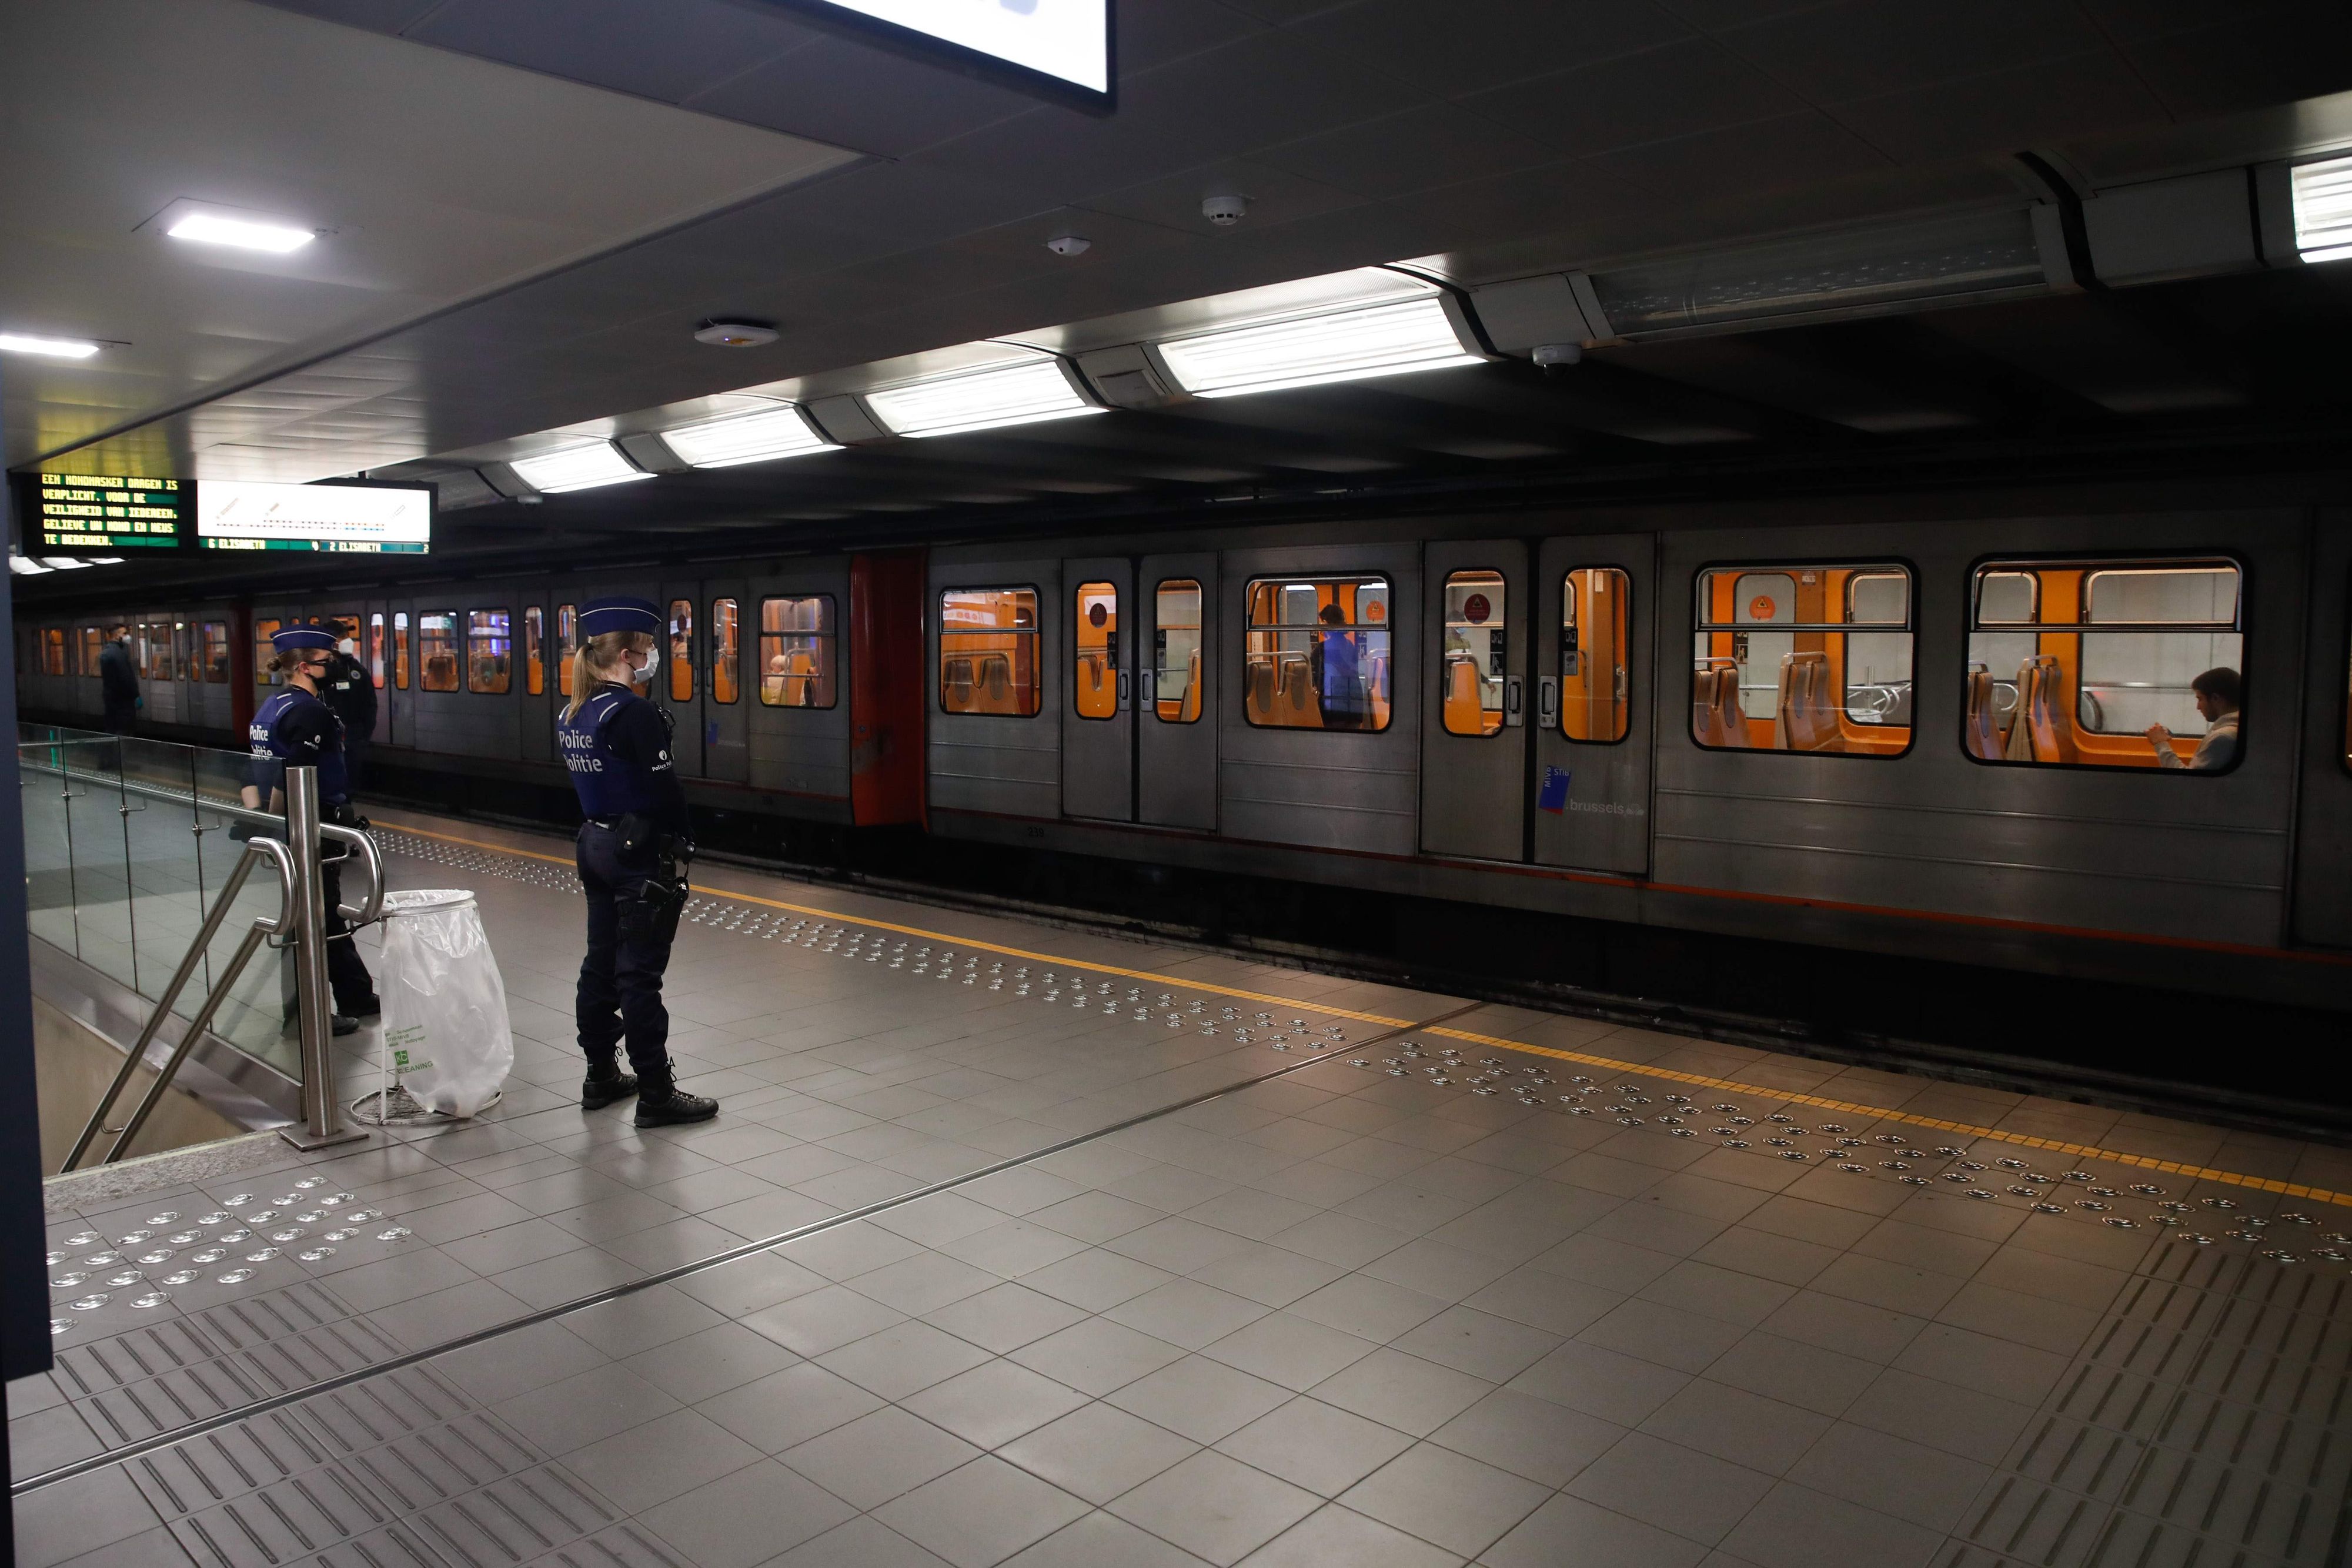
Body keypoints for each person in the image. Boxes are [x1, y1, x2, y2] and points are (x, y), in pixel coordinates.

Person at [558, 597, 717, 1126]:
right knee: (640, 974)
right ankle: (655, 1090)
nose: (654, 657)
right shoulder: (633, 712)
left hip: (594, 844)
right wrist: (686, 838)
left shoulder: (574, 711)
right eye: (649, 648)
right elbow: (663, 789)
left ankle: (601, 1072)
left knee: (599, 963)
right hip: (635, 853)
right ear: (628, 654)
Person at [249, 626, 378, 1036]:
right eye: (326, 660)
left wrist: (262, 821)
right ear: (304, 666)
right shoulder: (311, 712)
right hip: (310, 822)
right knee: (313, 917)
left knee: (325, 910)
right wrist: (279, 829)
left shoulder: (271, 706)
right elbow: (292, 776)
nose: (333, 667)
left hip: (293, 822)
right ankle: (307, 1011)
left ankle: (355, 992)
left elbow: (250, 770)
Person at [2146, 667, 2241, 770]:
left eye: (2200, 699)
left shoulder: (2222, 738)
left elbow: (2189, 780)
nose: (2198, 707)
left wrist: (2161, 744)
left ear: (2215, 698)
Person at [321, 622, 377, 790]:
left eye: (347, 636)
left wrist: (363, 735)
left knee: (349, 781)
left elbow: (370, 705)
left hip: (352, 735)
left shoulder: (357, 671)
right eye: (342, 637)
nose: (347, 641)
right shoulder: (322, 670)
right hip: (328, 737)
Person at [1314, 602, 1365, 730]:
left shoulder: (1322, 649)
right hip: (1354, 705)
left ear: (1326, 622)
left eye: (1322, 622)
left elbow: (1314, 677)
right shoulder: (1350, 646)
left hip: (1334, 707)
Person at [98, 623, 139, 733]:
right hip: (122, 704)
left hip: (113, 703)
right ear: (117, 636)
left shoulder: (108, 653)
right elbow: (126, 678)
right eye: (125, 633)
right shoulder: (118, 654)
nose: (127, 636)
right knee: (123, 734)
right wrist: (135, 695)